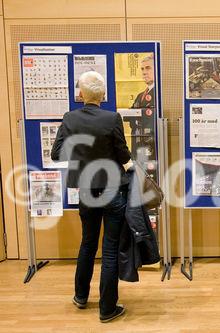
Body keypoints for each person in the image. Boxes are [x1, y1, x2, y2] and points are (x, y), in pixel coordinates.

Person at [51, 71, 131, 323]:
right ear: (102, 95)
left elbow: (57, 155)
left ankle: (80, 296)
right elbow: (123, 155)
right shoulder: (112, 118)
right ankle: (107, 309)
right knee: (109, 249)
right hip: (111, 190)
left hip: (86, 190)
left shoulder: (70, 119)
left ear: (82, 94)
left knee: (87, 243)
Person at [125, 55, 156, 162]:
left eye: (148, 68)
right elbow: (128, 116)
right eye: (142, 69)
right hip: (137, 142)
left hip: (151, 144)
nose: (144, 72)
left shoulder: (159, 94)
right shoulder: (140, 95)